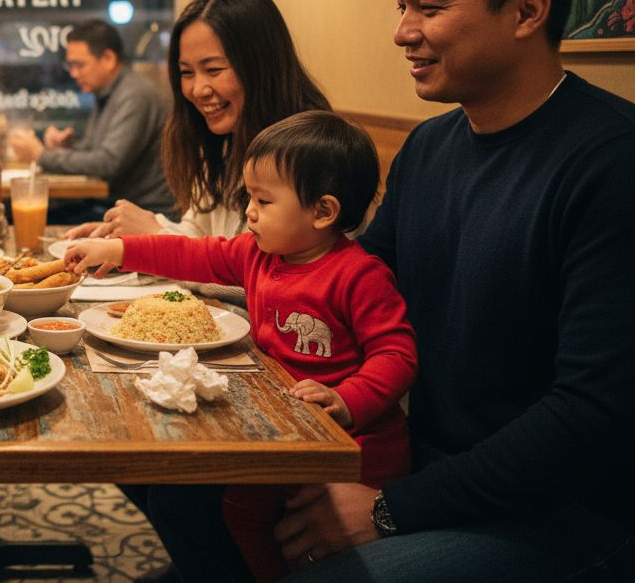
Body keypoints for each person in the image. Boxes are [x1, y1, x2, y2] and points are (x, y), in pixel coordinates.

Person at [276, 0, 635, 581]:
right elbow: (352, 288)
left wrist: (389, 509)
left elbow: (590, 417)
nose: (402, 31)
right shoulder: (431, 147)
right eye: (401, 5)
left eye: (429, 7)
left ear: (528, 11)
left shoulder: (613, 163)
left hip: (566, 514)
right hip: (427, 465)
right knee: (196, 495)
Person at [67, 110, 416, 581]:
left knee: (242, 511)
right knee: (226, 508)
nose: (249, 211)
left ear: (323, 212)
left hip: (353, 445)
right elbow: (195, 254)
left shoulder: (358, 274)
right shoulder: (259, 254)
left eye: (263, 200)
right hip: (282, 425)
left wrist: (347, 400)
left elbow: (397, 355)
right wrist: (119, 249)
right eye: (250, 197)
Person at [65, 0, 331, 242]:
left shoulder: (306, 149)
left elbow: (260, 271)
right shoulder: (225, 136)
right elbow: (199, 232)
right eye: (186, 73)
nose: (197, 89)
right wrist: (128, 239)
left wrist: (154, 236)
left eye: (214, 69)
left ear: (260, 66)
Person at [8, 19, 177, 218]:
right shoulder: (107, 92)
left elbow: (108, 164)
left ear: (108, 59)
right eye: (70, 65)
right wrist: (68, 148)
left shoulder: (134, 95)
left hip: (145, 213)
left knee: (27, 214)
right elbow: (98, 151)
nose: (74, 73)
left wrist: (41, 155)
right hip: (117, 206)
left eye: (79, 65)